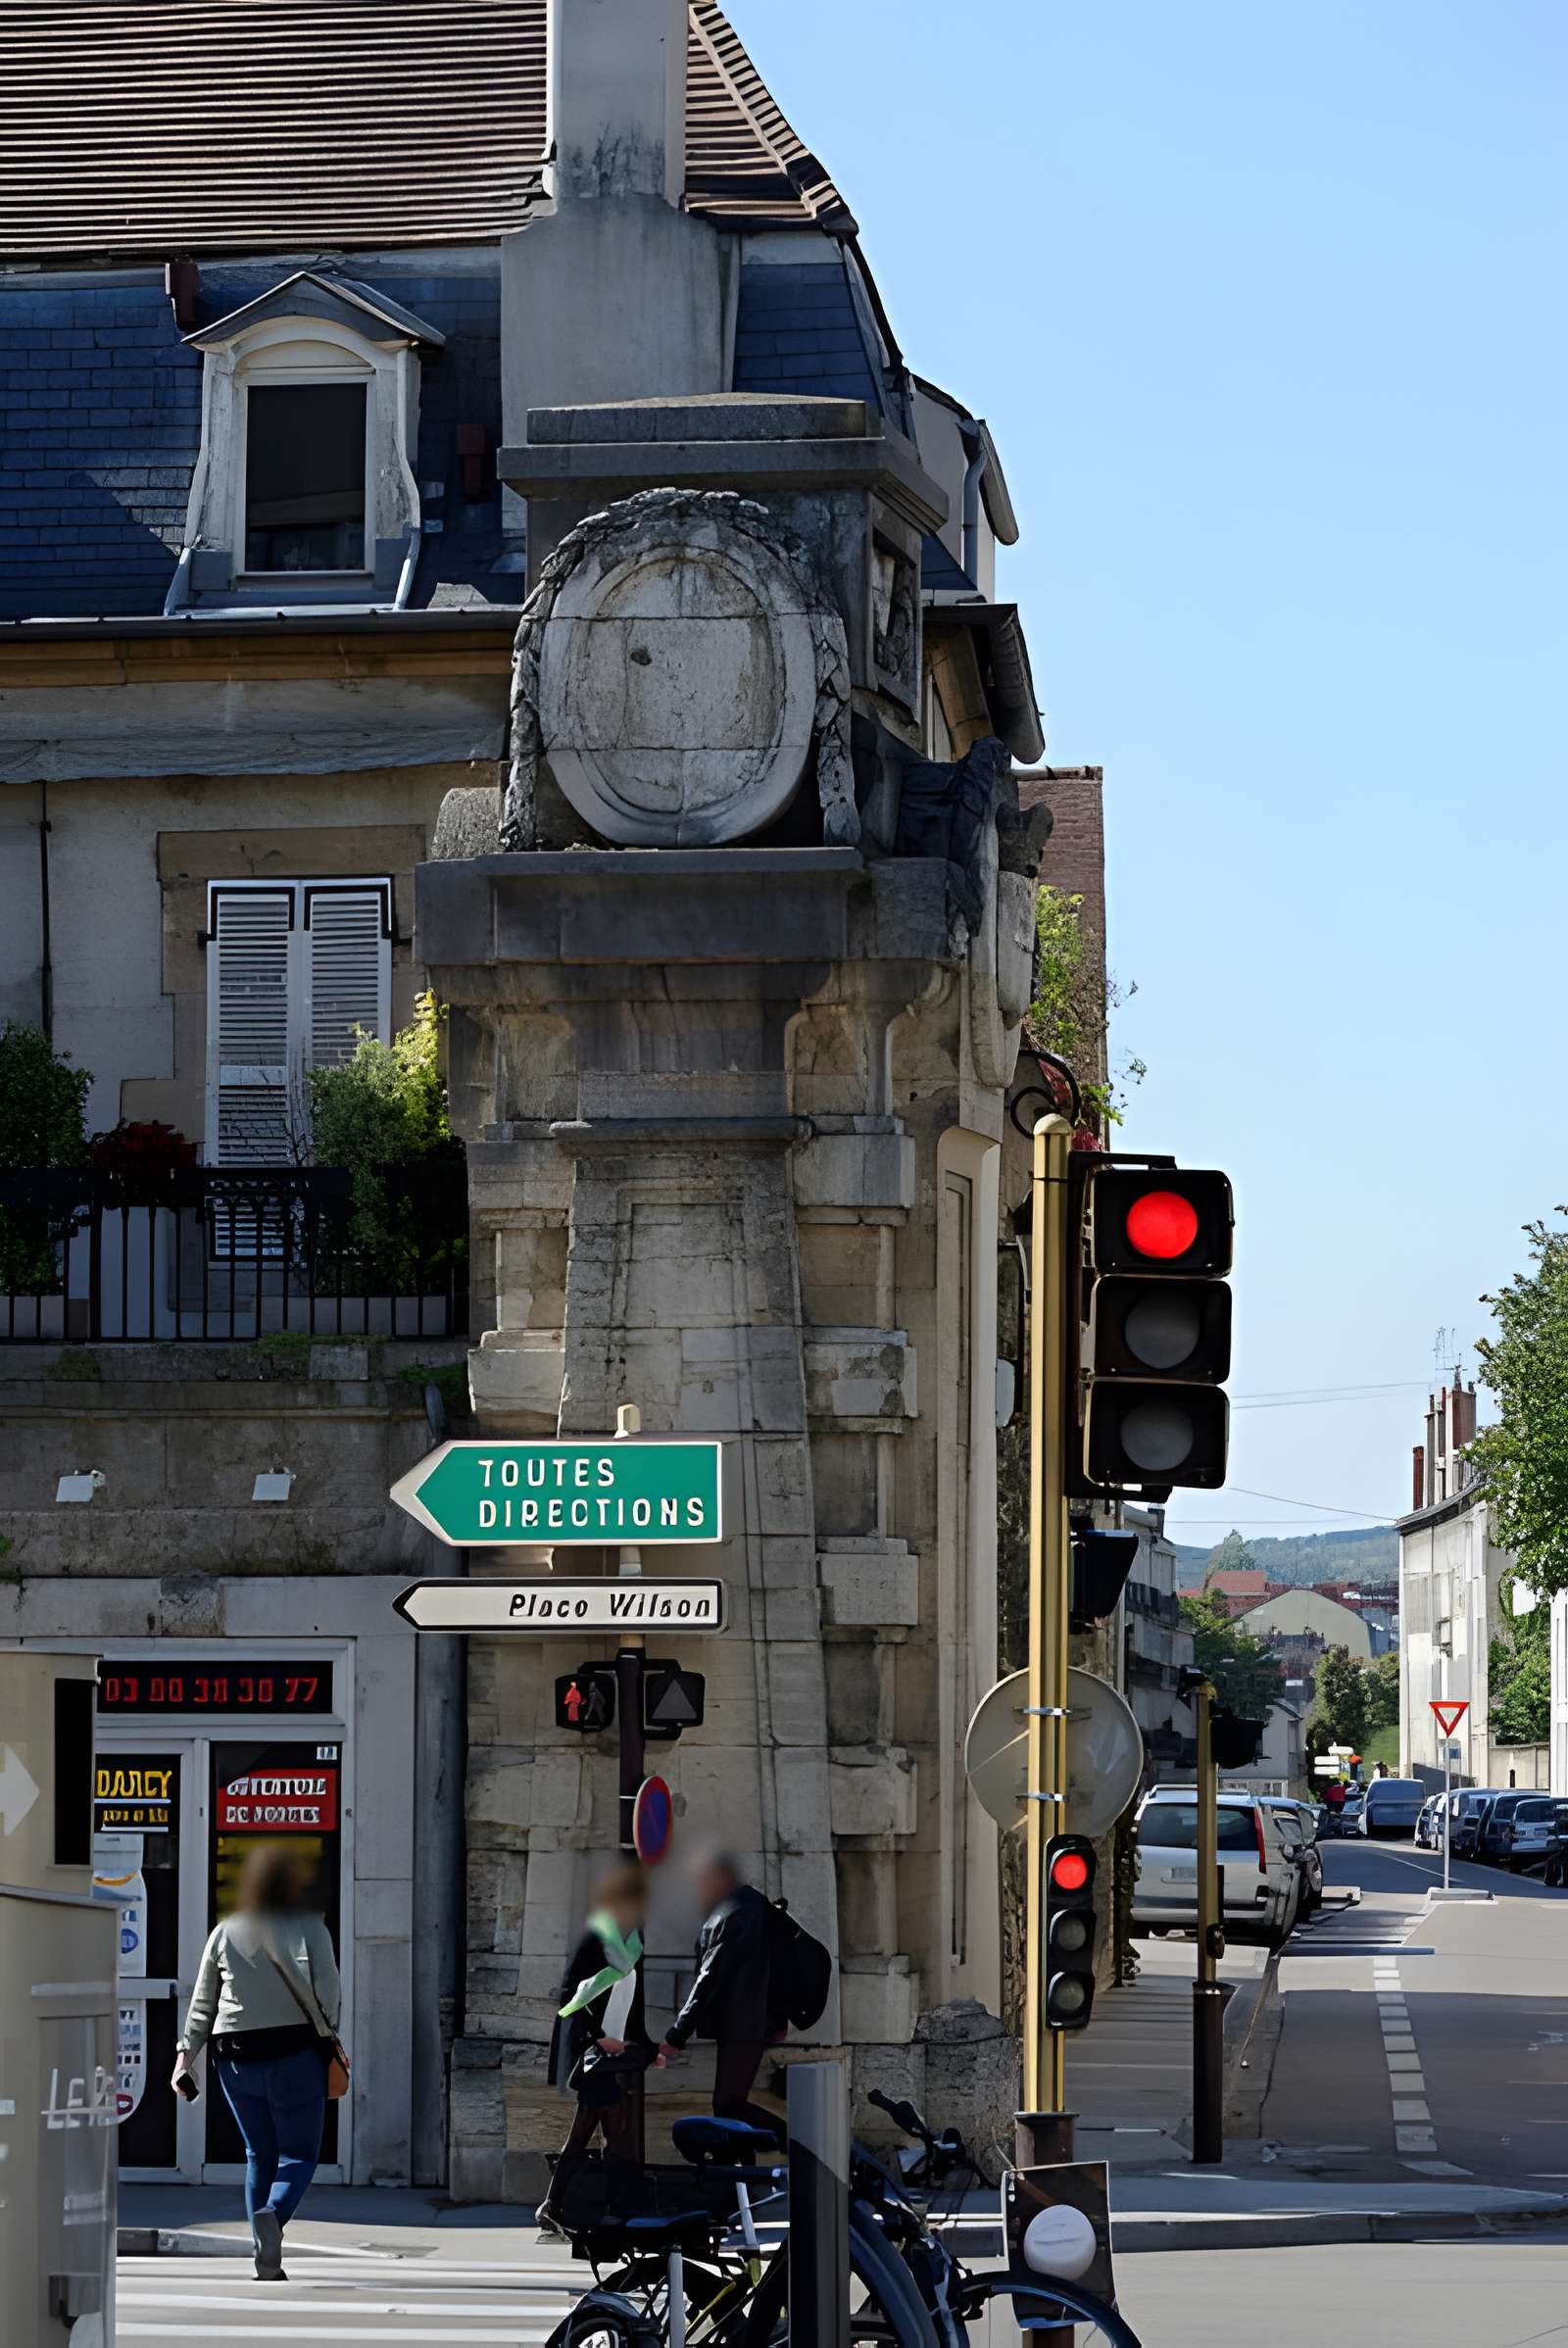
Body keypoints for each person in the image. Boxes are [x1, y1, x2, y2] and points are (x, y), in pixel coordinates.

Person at [172, 1843, 340, 2282]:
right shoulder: (310, 1926)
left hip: (235, 2059)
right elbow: (329, 1995)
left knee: (257, 2153)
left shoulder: (225, 1930)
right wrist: (328, 2033)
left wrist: (184, 2056)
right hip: (295, 2053)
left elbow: (202, 2002)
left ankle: (264, 2258)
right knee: (300, 2154)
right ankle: (273, 2213)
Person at [538, 1862, 658, 2232]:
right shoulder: (595, 1937)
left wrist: (651, 2050)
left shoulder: (635, 1940)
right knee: (615, 2129)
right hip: (589, 2051)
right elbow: (570, 1997)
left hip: (611, 2054)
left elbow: (632, 2003)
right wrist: (595, 2038)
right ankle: (617, 2208)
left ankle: (556, 2206)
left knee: (594, 2131)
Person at [658, 1850, 781, 2139]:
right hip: (747, 2020)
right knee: (730, 2107)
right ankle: (744, 2177)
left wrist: (677, 2034)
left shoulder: (733, 1912)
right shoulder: (746, 1905)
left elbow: (708, 1978)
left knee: (728, 2105)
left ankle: (797, 2143)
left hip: (744, 2021)